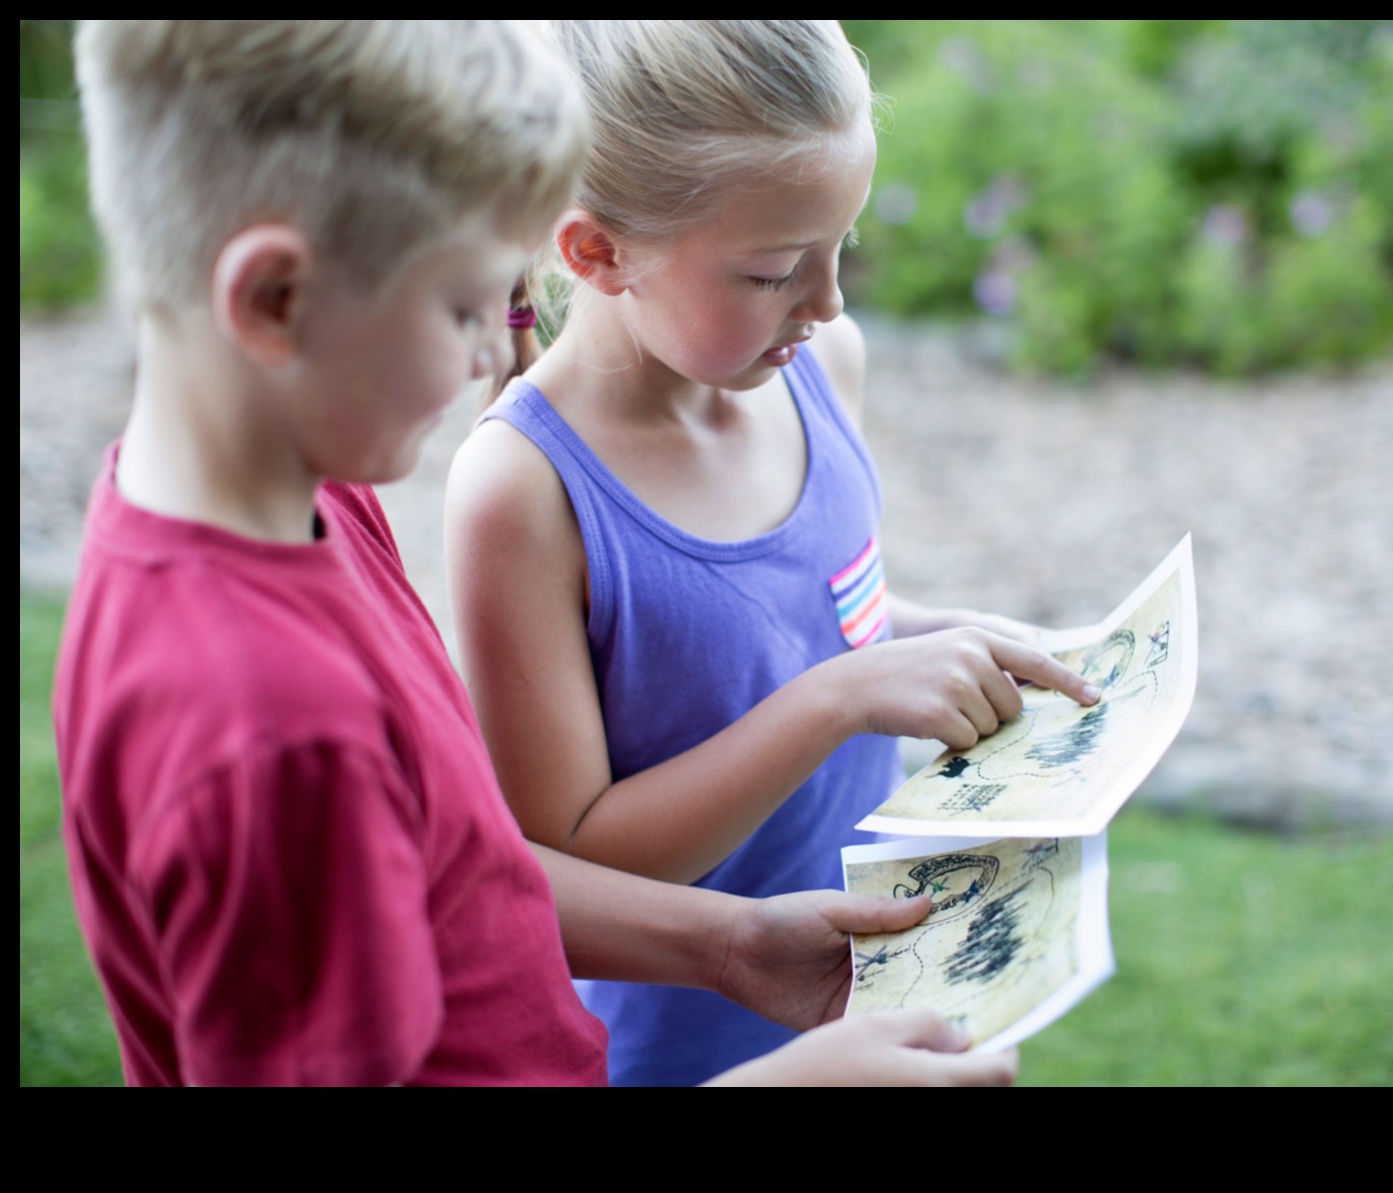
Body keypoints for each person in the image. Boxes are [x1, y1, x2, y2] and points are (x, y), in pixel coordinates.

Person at [53, 19, 1020, 1088]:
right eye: (467, 303)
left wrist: (727, 945)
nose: (496, 348)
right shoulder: (272, 737)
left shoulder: (306, 499)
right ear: (275, 300)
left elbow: (466, 867)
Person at [446, 20, 1102, 1086]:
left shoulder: (815, 365)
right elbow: (568, 854)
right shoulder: (523, 491)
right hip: (681, 1045)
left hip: (871, 998)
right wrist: (840, 698)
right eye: (772, 271)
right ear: (595, 251)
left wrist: (950, 641)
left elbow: (800, 622)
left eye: (840, 244)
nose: (830, 299)